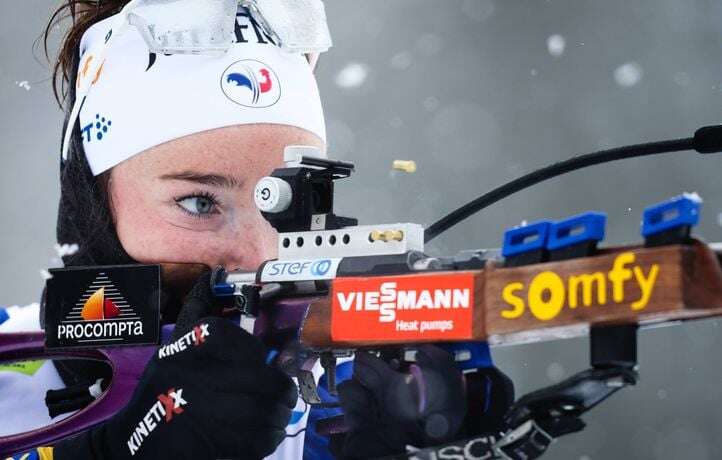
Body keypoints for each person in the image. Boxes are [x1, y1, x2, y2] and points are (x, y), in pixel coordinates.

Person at [1, 1, 513, 459]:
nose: (258, 254)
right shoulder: (9, 380)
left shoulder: (343, 408)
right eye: (200, 203)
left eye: (284, 208)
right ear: (94, 206)